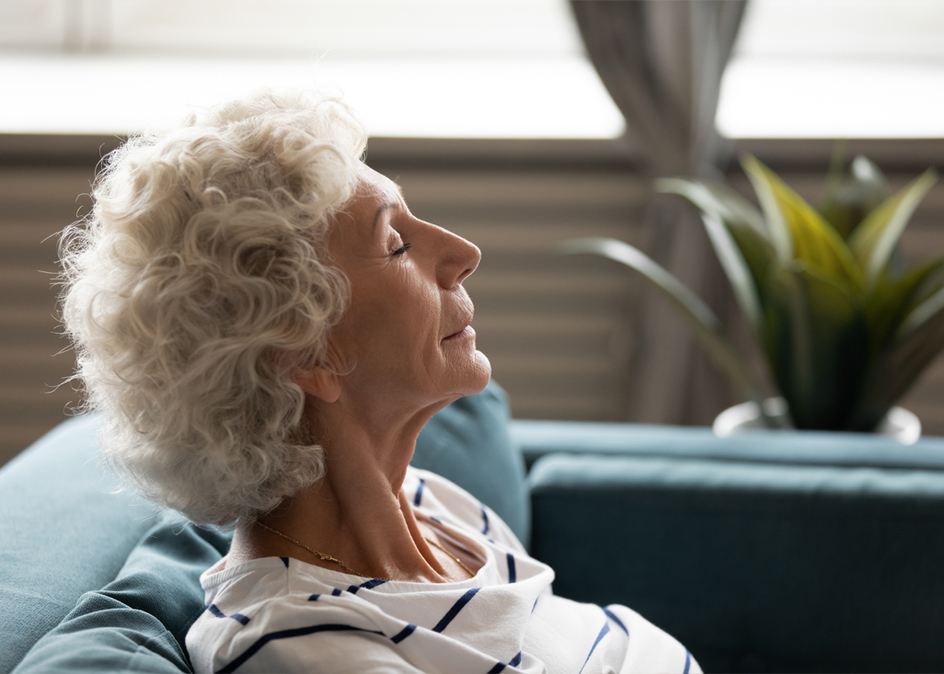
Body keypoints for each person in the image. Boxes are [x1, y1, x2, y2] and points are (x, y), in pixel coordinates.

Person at [59, 89, 700, 673]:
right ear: (309, 353)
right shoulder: (307, 646)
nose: (463, 252)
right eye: (397, 244)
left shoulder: (434, 506)